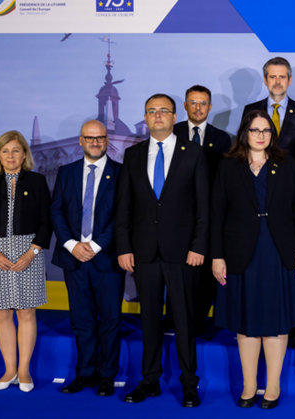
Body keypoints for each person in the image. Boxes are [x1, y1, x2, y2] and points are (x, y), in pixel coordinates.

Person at [211, 110, 295, 409]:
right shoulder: (229, 165)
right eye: (255, 130)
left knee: (276, 321)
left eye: (266, 130)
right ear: (245, 133)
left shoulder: (286, 162)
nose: (260, 135)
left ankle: (273, 385)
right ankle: (249, 384)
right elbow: (217, 213)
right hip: (241, 253)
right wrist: (217, 256)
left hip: (279, 251)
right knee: (247, 321)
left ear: (272, 134)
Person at [115, 94, 209, 407]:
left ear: (173, 116)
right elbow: (124, 207)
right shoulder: (133, 154)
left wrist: (198, 246)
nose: (157, 116)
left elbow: (203, 207)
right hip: (143, 253)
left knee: (184, 320)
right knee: (150, 320)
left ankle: (189, 384)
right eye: (151, 111)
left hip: (183, 253)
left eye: (163, 111)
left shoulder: (193, 153)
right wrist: (124, 247)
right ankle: (149, 380)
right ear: (146, 117)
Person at [0, 130, 52, 393]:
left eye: (15, 150)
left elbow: (46, 222)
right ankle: (9, 370)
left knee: (26, 313)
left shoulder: (38, 181)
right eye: (5, 150)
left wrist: (32, 252)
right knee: (1, 313)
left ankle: (24, 371)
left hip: (29, 251)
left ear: (24, 154)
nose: (10, 155)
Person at [50, 120, 124, 397]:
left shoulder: (121, 173)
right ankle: (85, 373)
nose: (95, 143)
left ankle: (107, 376)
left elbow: (122, 216)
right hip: (74, 259)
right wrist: (71, 244)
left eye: (100, 138)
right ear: (80, 141)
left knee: (110, 319)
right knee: (81, 320)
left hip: (106, 259)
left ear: (107, 141)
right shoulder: (66, 172)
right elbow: (56, 211)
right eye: (89, 138)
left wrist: (93, 245)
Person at [170, 85, 232, 334]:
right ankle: (174, 322)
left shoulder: (222, 138)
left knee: (207, 273)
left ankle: (198, 323)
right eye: (193, 102)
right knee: (176, 271)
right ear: (185, 106)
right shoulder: (171, 133)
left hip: (210, 212)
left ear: (210, 107)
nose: (198, 107)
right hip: (176, 214)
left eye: (203, 103)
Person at [243, 57, 295, 181]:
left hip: (291, 182)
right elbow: (244, 147)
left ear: (290, 80)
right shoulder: (250, 110)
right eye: (272, 77)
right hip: (256, 181)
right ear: (265, 80)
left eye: (282, 77)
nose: (277, 82)